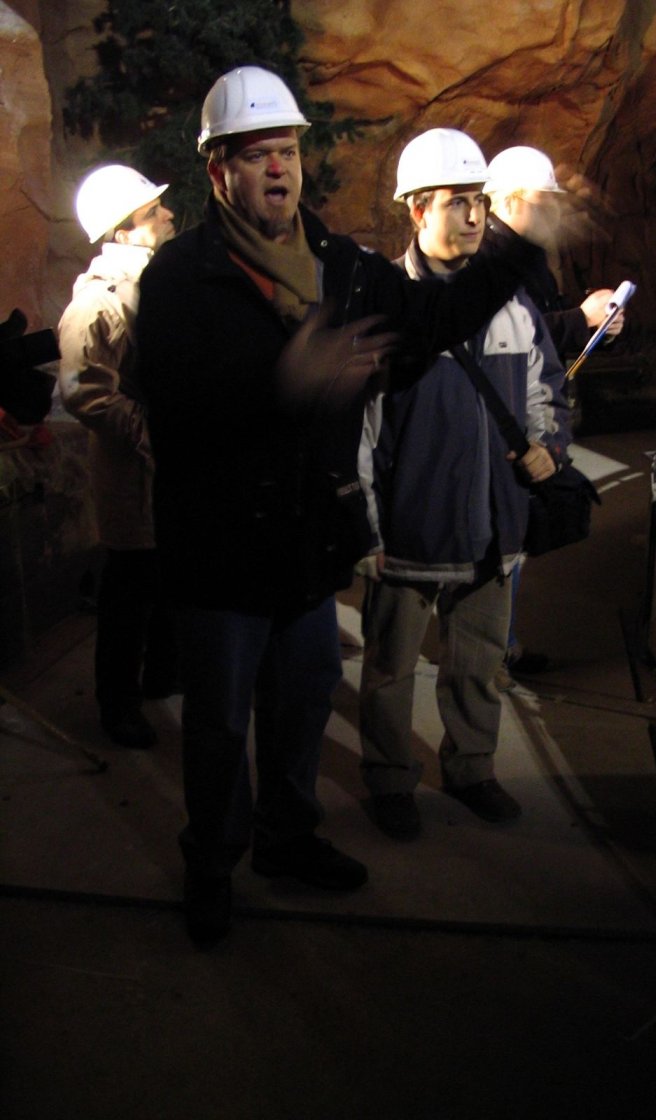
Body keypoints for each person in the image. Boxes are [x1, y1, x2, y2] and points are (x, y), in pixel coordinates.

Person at [133, 67, 546, 945]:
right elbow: (168, 410)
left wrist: (517, 250)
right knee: (219, 725)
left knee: (302, 705)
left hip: (303, 547)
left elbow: (430, 322)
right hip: (218, 555)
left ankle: (286, 842)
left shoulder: (342, 269)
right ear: (218, 171)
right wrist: (279, 384)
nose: (277, 169)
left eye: (286, 151)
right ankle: (214, 867)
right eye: (256, 155)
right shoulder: (178, 277)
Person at [357, 129, 570, 841]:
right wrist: (365, 530)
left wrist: (548, 449)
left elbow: (546, 390)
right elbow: (358, 431)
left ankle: (472, 768)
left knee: (477, 662)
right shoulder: (387, 307)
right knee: (391, 668)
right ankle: (390, 779)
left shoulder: (512, 305)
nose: (476, 216)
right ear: (417, 209)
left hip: (493, 524)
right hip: (411, 527)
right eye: (457, 202)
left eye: (480, 201)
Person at [482, 146, 626, 684]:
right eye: (545, 200)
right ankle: (489, 652)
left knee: (514, 542)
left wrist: (597, 327)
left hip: (531, 419)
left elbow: (541, 335)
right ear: (510, 200)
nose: (555, 212)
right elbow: (517, 334)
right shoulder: (491, 257)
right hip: (507, 430)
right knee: (501, 543)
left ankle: (499, 645)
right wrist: (578, 319)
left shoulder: (524, 257)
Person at [58, 165, 179, 749]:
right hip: (132, 476)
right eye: (154, 211)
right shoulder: (98, 303)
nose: (168, 215)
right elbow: (85, 393)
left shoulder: (155, 286)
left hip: (163, 471)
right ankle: (118, 705)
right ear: (124, 230)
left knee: (165, 581)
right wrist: (150, 433)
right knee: (129, 592)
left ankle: (160, 675)